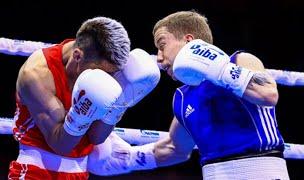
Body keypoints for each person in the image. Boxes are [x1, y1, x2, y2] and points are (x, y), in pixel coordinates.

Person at [86, 11, 290, 179]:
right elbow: (175, 148)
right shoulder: (183, 98)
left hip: (264, 171)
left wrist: (218, 68)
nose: (159, 58)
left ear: (189, 41)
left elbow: (268, 94)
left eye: (162, 45)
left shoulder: (239, 60)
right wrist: (129, 157)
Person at [8, 16, 161, 179]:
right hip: (35, 170)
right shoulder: (37, 75)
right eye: (100, 71)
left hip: (80, 172)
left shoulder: (102, 68)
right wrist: (81, 113)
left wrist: (120, 103)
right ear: (77, 56)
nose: (104, 78)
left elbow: (97, 137)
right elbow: (60, 145)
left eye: (110, 74)